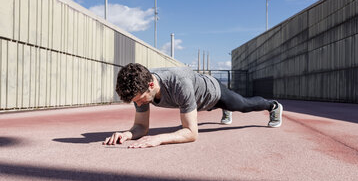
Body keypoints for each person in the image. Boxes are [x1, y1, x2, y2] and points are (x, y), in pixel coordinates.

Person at [103, 63, 283, 148]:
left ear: (151, 85)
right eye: (135, 102)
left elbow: (191, 133)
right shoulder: (140, 88)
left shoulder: (179, 83)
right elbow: (141, 127)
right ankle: (226, 111)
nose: (139, 104)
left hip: (213, 94)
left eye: (140, 99)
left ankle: (273, 106)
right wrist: (127, 134)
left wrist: (159, 138)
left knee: (243, 105)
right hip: (195, 102)